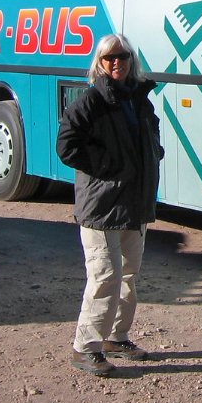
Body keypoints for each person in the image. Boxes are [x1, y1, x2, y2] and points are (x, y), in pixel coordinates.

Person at [57, 33, 164, 376]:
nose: (116, 62)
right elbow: (66, 146)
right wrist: (107, 167)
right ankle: (84, 347)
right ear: (100, 64)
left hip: (134, 204)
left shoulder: (139, 99)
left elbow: (153, 132)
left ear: (132, 59)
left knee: (128, 276)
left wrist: (154, 154)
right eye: (108, 58)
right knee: (105, 277)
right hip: (102, 207)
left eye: (122, 56)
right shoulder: (91, 101)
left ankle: (115, 337)